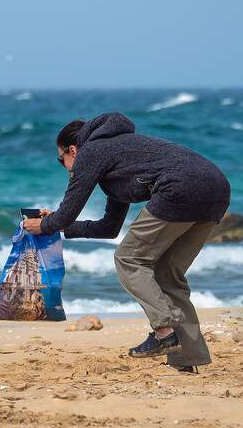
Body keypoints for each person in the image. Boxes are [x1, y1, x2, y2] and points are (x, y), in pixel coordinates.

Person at [21, 112, 230, 373]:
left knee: (129, 259)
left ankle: (164, 333)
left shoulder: (93, 151)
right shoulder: (120, 154)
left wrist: (44, 225)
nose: (63, 165)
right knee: (166, 273)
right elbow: (110, 227)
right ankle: (185, 359)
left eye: (60, 159)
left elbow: (69, 209)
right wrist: (61, 226)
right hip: (217, 189)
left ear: (73, 150)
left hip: (180, 188)